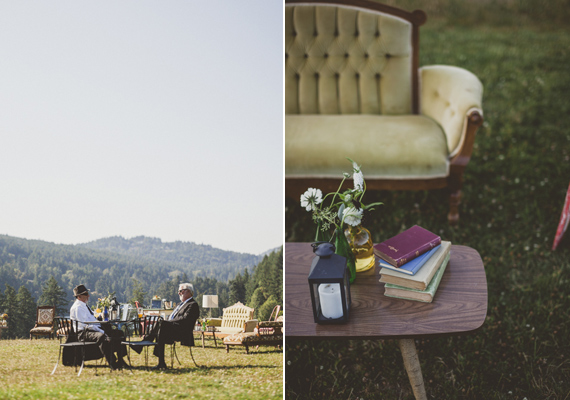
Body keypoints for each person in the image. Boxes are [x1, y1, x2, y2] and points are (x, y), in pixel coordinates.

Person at [70, 284, 127, 370]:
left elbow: (91, 318)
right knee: (101, 336)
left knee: (119, 333)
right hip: (82, 333)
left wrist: (99, 317)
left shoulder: (83, 305)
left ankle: (120, 359)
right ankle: (112, 363)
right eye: (86, 294)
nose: (88, 296)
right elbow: (86, 325)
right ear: (79, 296)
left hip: (90, 329)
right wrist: (101, 330)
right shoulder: (78, 308)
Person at [144, 283, 200, 370]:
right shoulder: (179, 304)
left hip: (181, 332)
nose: (179, 293)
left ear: (188, 291)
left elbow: (185, 319)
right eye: (179, 291)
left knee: (162, 324)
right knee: (161, 324)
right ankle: (160, 361)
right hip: (171, 329)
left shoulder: (192, 304)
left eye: (181, 291)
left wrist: (168, 322)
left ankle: (146, 342)